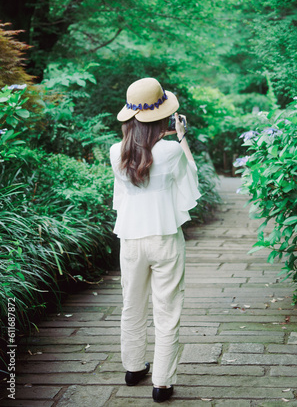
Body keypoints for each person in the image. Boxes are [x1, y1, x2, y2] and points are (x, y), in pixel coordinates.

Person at [110, 77, 201, 403]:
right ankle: (162, 383)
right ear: (164, 115)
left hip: (131, 239)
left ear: (131, 115)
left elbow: (121, 198)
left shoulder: (114, 152)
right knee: (167, 309)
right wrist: (181, 137)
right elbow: (191, 179)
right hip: (164, 238)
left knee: (131, 305)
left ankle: (134, 368)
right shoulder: (171, 151)